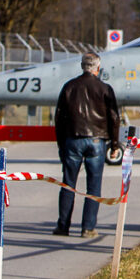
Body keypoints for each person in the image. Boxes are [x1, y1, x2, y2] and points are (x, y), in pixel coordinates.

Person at [52, 51, 120, 239]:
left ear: (82, 66)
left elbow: (59, 118)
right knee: (94, 186)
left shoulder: (69, 87)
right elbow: (114, 118)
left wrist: (61, 144)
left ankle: (63, 225)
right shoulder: (105, 89)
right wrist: (114, 145)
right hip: (97, 140)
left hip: (72, 139)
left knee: (68, 184)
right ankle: (88, 227)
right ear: (98, 68)